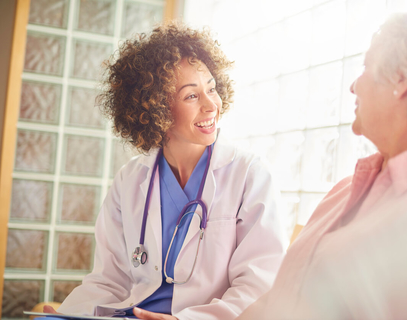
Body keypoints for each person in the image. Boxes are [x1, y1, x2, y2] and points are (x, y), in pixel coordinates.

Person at [237, 9, 407, 319]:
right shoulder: (345, 190)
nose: (354, 86)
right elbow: (281, 298)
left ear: (402, 78)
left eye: (365, 67)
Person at [44, 22, 287, 320]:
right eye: (191, 96)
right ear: (156, 108)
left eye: (211, 88)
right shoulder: (130, 180)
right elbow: (110, 279)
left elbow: (260, 284)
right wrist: (69, 315)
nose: (212, 105)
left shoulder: (250, 174)